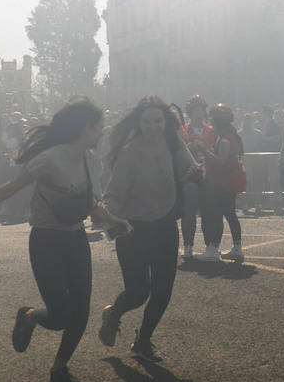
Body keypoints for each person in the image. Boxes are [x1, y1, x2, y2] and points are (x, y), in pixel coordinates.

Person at [0, 98, 125, 382]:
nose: (102, 132)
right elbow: (9, 189)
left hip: (75, 237)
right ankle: (29, 316)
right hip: (46, 239)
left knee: (81, 311)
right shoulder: (49, 158)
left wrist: (113, 221)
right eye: (99, 127)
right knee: (59, 315)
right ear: (85, 128)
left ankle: (59, 368)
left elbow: (89, 202)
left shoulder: (89, 160)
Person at [98, 96, 203, 362]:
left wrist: (195, 173)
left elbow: (190, 167)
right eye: (148, 122)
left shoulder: (172, 143)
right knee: (138, 292)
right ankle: (113, 313)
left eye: (158, 121)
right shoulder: (129, 153)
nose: (153, 127)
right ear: (139, 123)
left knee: (163, 290)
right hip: (132, 229)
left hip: (165, 225)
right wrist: (105, 215)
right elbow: (113, 195)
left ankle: (143, 340)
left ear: (166, 123)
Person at [199, 103, 245, 262]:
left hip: (223, 183)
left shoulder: (225, 140)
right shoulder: (231, 137)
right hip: (228, 182)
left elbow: (220, 162)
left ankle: (213, 248)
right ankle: (236, 247)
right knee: (230, 214)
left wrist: (204, 150)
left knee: (218, 215)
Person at [180, 95, 217, 260]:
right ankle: (188, 246)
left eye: (201, 109)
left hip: (207, 176)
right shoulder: (183, 130)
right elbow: (178, 152)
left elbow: (216, 152)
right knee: (188, 213)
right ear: (190, 112)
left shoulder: (210, 131)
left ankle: (210, 246)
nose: (199, 113)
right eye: (195, 109)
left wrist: (204, 147)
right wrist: (190, 146)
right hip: (189, 176)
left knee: (208, 212)